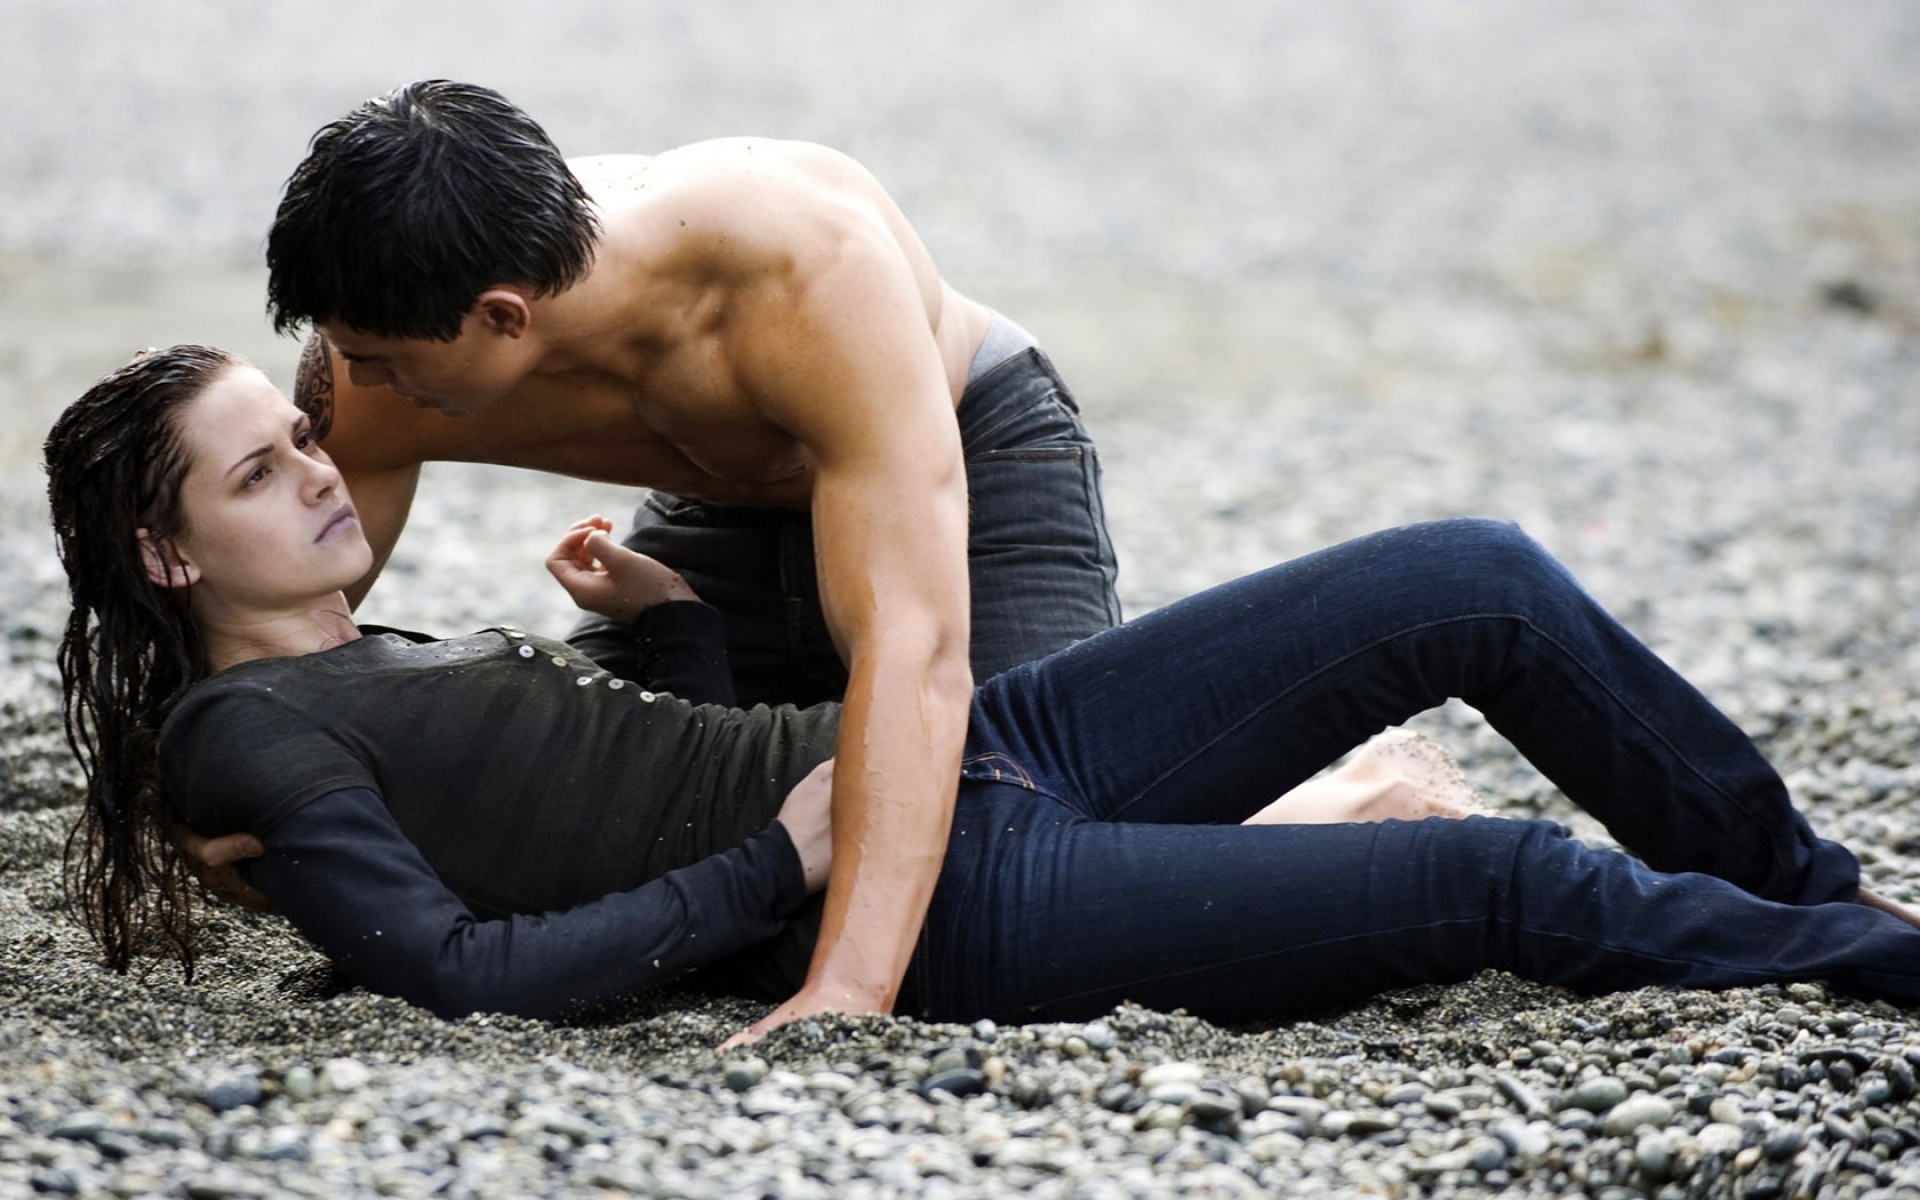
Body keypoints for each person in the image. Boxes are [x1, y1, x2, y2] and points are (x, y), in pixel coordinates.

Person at [47, 346, 1920, 1040]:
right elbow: (461, 973)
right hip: (948, 901)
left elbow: (623, 773)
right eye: (260, 473)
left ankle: (1812, 887)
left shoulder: (362, 661)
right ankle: (1872, 963)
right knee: (1507, 882)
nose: (321, 474)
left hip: (968, 748)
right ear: (167, 558)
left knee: (1473, 577)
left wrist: (672, 624)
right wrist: (786, 868)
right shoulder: (245, 739)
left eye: (306, 436)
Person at [253, 79, 1415, 1038]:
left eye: (380, 362)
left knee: (1013, 828)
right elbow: (292, 629)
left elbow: (913, 648)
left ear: (505, 317)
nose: (355, 383)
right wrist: (229, 790)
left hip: (962, 455)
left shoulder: (795, 270)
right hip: (716, 516)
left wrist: (849, 990)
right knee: (574, 836)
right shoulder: (386, 343)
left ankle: (1350, 802)